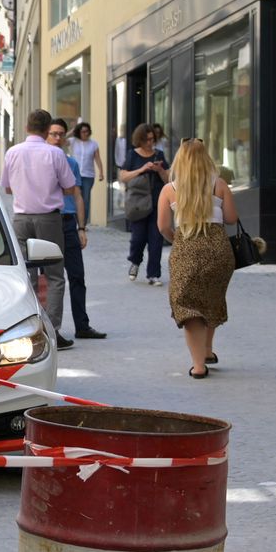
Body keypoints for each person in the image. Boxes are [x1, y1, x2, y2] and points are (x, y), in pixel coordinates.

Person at [157, 139, 238, 379]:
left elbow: (162, 226)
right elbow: (232, 218)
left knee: (188, 306)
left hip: (186, 248)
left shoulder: (169, 189)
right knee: (211, 297)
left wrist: (177, 239)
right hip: (218, 250)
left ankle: (199, 365)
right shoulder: (219, 184)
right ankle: (208, 350)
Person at [0, 108, 78, 350]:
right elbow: (70, 187)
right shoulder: (55, 153)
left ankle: (29, 329)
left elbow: (7, 187)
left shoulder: (13, 152)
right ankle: (52, 331)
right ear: (47, 130)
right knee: (55, 275)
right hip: (48, 219)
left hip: (21, 218)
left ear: (26, 128)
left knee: (26, 276)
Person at [47, 119, 106, 340]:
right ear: (46, 135)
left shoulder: (71, 163)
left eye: (61, 134)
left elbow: (78, 195)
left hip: (69, 222)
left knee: (77, 276)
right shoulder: (41, 161)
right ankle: (50, 329)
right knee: (50, 278)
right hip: (48, 221)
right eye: (53, 134)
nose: (57, 138)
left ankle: (82, 325)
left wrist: (82, 227)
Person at [118, 123, 169, 285]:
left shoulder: (159, 154)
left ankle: (154, 274)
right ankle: (135, 261)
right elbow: (123, 177)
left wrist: (160, 170)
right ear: (139, 139)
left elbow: (168, 180)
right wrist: (142, 169)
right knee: (138, 238)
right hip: (138, 203)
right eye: (147, 140)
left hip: (157, 202)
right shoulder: (132, 155)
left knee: (156, 239)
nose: (150, 143)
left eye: (152, 139)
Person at [69, 122, 104, 224]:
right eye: (83, 131)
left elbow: (97, 158)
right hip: (75, 174)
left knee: (86, 199)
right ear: (78, 132)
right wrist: (72, 131)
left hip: (88, 175)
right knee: (75, 197)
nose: (85, 133)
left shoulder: (93, 144)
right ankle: (75, 221)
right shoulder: (73, 141)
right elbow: (62, 140)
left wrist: (101, 172)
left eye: (87, 131)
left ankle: (83, 223)